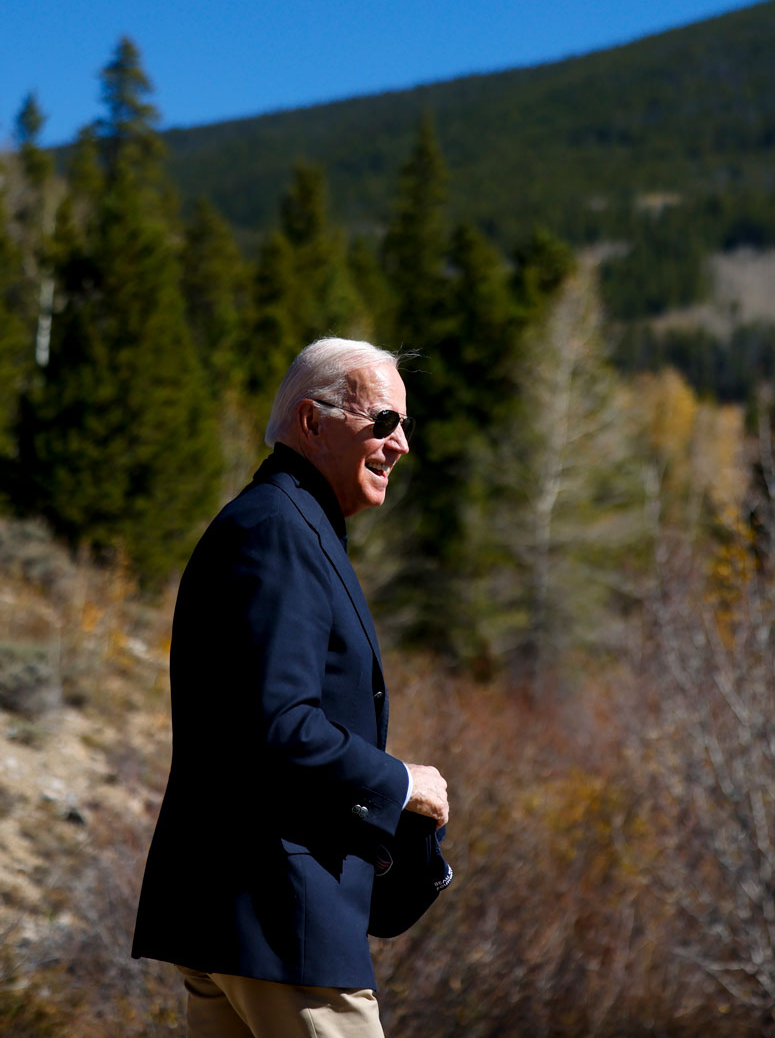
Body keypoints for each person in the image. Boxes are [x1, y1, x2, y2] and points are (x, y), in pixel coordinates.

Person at [133, 337, 451, 1038]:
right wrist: (402, 783)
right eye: (384, 423)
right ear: (313, 422)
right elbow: (278, 725)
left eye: (407, 427)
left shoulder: (279, 522)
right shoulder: (280, 531)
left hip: (240, 924)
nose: (399, 445)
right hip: (282, 926)